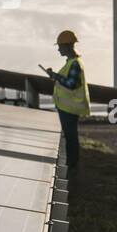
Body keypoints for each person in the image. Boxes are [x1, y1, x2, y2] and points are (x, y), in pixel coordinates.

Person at [46, 30, 90, 174]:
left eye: (60, 46)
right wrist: (55, 76)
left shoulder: (75, 64)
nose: (58, 49)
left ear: (67, 46)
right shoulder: (71, 63)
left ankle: (72, 165)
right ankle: (72, 164)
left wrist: (56, 77)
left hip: (70, 108)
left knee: (71, 136)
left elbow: (71, 84)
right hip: (67, 107)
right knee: (70, 135)